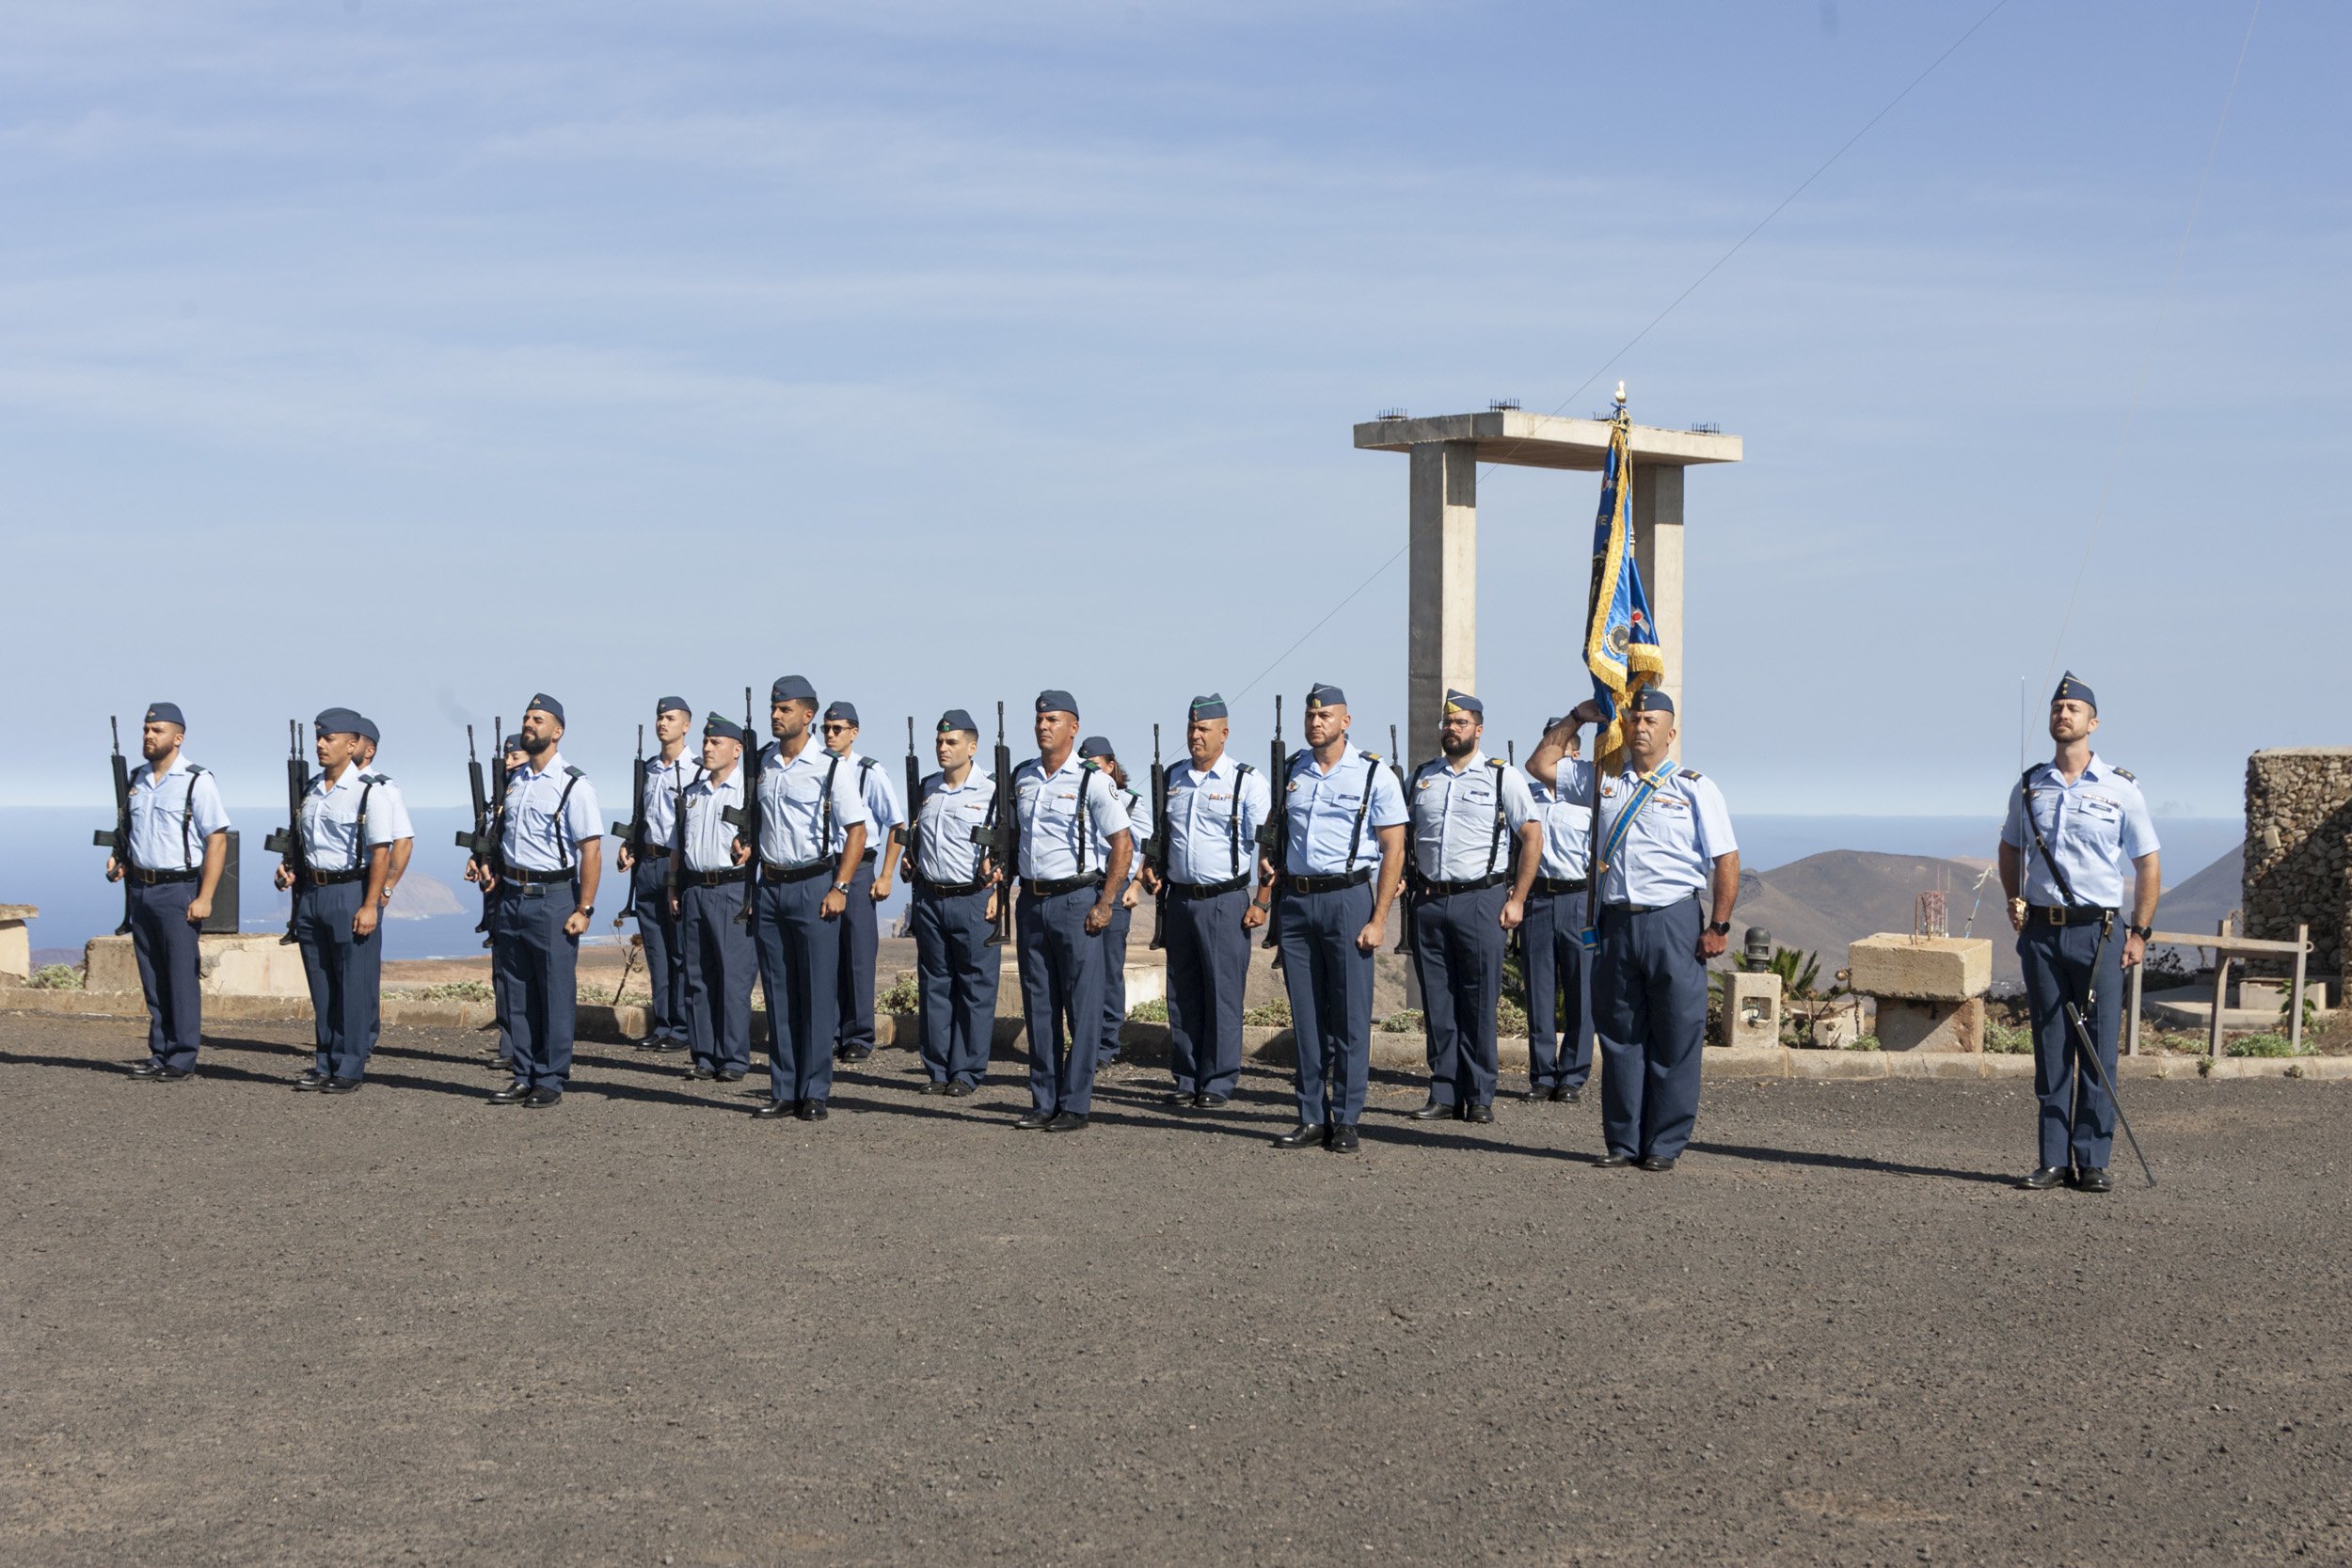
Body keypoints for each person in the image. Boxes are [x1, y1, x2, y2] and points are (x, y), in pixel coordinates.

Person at [1528, 689, 1738, 1171]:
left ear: (1671, 731)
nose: (1641, 727)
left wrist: (1720, 924)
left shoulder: (1694, 787)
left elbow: (1725, 858)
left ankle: (1664, 1144)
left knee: (1675, 1032)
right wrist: (1578, 717)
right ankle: (1622, 1143)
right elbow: (1540, 765)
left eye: (1651, 720)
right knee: (1620, 1035)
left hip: (1673, 921)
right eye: (1635, 718)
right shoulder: (1603, 780)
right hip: (1617, 921)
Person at [1998, 673, 2159, 1196]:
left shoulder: (2122, 788)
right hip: (2043, 933)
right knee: (2050, 1045)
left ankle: (2091, 1160)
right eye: (2057, 707)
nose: (2062, 714)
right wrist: (2013, 898)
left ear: (2093, 722)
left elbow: (2147, 862)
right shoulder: (2030, 786)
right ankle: (2051, 1160)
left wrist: (2140, 932)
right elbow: (2010, 846)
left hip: (2101, 932)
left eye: (2073, 708)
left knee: (2096, 1048)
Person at [1263, 683, 1407, 1152]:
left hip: (1348, 900)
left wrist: (1380, 917)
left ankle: (1346, 1118)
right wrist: (1270, 866)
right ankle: (1310, 1115)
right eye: (1311, 716)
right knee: (1306, 1019)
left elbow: (1394, 848)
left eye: (1325, 715)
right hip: (1299, 903)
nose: (1316, 722)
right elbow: (1280, 834)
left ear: (1345, 721)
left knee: (1348, 1018)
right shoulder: (1292, 771)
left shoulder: (1373, 775)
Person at [1401, 691, 1542, 1124]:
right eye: (1447, 723)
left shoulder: (1503, 778)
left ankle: (1480, 1095)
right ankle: (1444, 1092)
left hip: (1481, 901)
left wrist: (1517, 899)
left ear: (1478, 729)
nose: (1452, 729)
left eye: (1460, 723)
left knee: (1479, 1002)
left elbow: (1532, 837)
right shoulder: (1423, 777)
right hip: (1428, 902)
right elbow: (1404, 837)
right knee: (1438, 1005)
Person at [468, 695, 602, 1110]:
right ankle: (523, 1074)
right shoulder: (516, 781)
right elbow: (502, 834)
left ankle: (550, 1077)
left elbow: (591, 850)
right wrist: (485, 862)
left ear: (556, 731)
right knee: (518, 992)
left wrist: (584, 909)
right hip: (511, 897)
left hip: (554, 898)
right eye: (526, 718)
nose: (528, 724)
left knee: (555, 992)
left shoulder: (574, 784)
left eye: (537, 719)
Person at [1007, 690, 1132, 1132]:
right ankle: (1044, 1100)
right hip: (1032, 901)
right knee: (1039, 1005)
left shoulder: (1091, 780)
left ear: (1073, 727)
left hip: (1076, 901)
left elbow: (1122, 842)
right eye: (1039, 718)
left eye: (1053, 719)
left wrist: (1106, 901)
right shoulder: (1021, 777)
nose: (1043, 726)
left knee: (1082, 1004)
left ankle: (1076, 1103)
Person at [1138, 694, 1270, 1110]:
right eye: (1192, 728)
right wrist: (1149, 866)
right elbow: (1161, 837)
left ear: (1224, 733)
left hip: (1224, 900)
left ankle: (1218, 1080)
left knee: (1222, 994)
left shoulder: (1247, 781)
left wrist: (1262, 902)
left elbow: (1269, 849)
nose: (1195, 736)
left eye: (1204, 729)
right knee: (1183, 993)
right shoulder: (1174, 778)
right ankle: (1186, 1075)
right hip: (1179, 902)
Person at [748, 675, 868, 1122]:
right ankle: (784, 1089)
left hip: (814, 884)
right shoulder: (763, 763)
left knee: (818, 994)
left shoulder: (832, 767)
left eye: (785, 709)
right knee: (778, 993)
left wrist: (840, 886)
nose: (776, 715)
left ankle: (815, 1091)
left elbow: (856, 830)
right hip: (772, 885)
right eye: (773, 708)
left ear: (808, 715)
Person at [278, 708, 404, 1093]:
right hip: (313, 893)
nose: (320, 744)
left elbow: (381, 852)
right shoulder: (311, 789)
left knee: (352, 983)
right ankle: (325, 1061)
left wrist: (372, 904)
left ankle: (349, 1066)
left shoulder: (371, 791)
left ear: (352, 746)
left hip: (350, 892)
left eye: (328, 739)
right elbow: (306, 845)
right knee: (322, 984)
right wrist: (290, 870)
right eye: (319, 737)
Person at [110, 702, 230, 1082]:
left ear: (177, 738)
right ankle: (159, 1052)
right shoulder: (135, 779)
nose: (149, 736)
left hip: (178, 890)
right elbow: (131, 833)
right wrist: (120, 860)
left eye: (157, 730)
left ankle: (182, 1057)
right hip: (141, 890)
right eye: (146, 730)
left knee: (180, 977)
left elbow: (217, 840)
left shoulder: (196, 780)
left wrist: (205, 896)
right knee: (153, 977)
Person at [904, 709, 1001, 1096]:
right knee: (935, 986)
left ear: (972, 747)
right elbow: (914, 835)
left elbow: (1010, 847)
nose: (943, 748)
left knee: (975, 987)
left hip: (973, 899)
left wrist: (998, 891)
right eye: (939, 742)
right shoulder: (926, 787)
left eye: (952, 742)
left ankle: (967, 1071)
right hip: (931, 898)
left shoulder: (992, 791)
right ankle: (938, 1069)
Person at [673, 711, 755, 1085]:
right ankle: (704, 1054)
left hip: (732, 889)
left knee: (732, 977)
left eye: (715, 742)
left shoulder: (749, 792)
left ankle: (734, 1058)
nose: (707, 747)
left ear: (736, 749)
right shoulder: (693, 792)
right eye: (705, 741)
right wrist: (675, 887)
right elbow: (679, 845)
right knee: (697, 977)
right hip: (695, 888)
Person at [819, 701, 903, 1066]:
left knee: (857, 955)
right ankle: (829, 1031)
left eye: (838, 729)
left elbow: (897, 826)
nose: (830, 735)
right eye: (826, 728)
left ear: (854, 732)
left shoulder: (869, 772)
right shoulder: (816, 768)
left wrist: (886, 874)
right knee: (824, 954)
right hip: (823, 867)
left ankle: (859, 1034)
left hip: (860, 868)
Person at [1519, 718, 1596, 1103]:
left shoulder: (1587, 800)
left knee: (1581, 990)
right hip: (1538, 899)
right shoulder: (1526, 795)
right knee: (1539, 991)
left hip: (1578, 901)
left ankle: (1573, 1075)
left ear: (1575, 756)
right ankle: (1543, 1075)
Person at [619, 697, 700, 1054]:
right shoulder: (650, 768)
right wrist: (629, 845)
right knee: (656, 950)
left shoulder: (696, 769)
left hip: (675, 864)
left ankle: (683, 1027)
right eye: (659, 717)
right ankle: (663, 1022)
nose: (661, 723)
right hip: (647, 864)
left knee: (679, 949)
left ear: (686, 725)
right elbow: (643, 816)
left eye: (670, 718)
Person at [1078, 735, 1151, 1068]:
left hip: (1116, 892)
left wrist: (1136, 884)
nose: (1090, 771)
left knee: (1109, 972)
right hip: (1085, 889)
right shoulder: (1080, 794)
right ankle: (1084, 1042)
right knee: (1082, 972)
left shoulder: (1131, 803)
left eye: (1096, 766)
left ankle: (1107, 1045)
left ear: (1111, 766)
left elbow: (1145, 847)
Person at [350, 717, 414, 1069]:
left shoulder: (383, 788)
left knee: (362, 969)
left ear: (367, 748)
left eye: (353, 739)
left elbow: (402, 842)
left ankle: (364, 1037)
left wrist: (386, 887)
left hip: (364, 886)